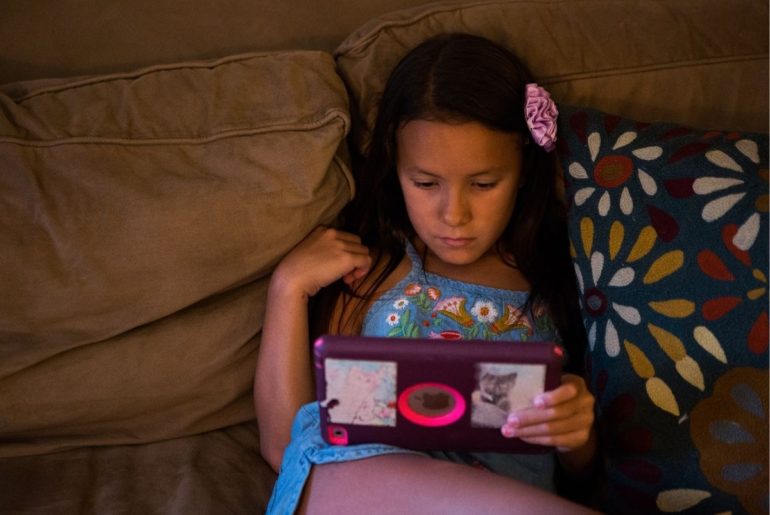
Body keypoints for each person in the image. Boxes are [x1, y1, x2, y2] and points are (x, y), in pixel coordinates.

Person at [255, 33, 598, 514]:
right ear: (396, 168)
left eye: (483, 184)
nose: (453, 214)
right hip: (365, 488)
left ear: (523, 166)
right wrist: (287, 288)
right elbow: (288, 447)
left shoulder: (560, 279)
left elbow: (578, 473)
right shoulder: (372, 271)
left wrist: (575, 433)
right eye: (425, 183)